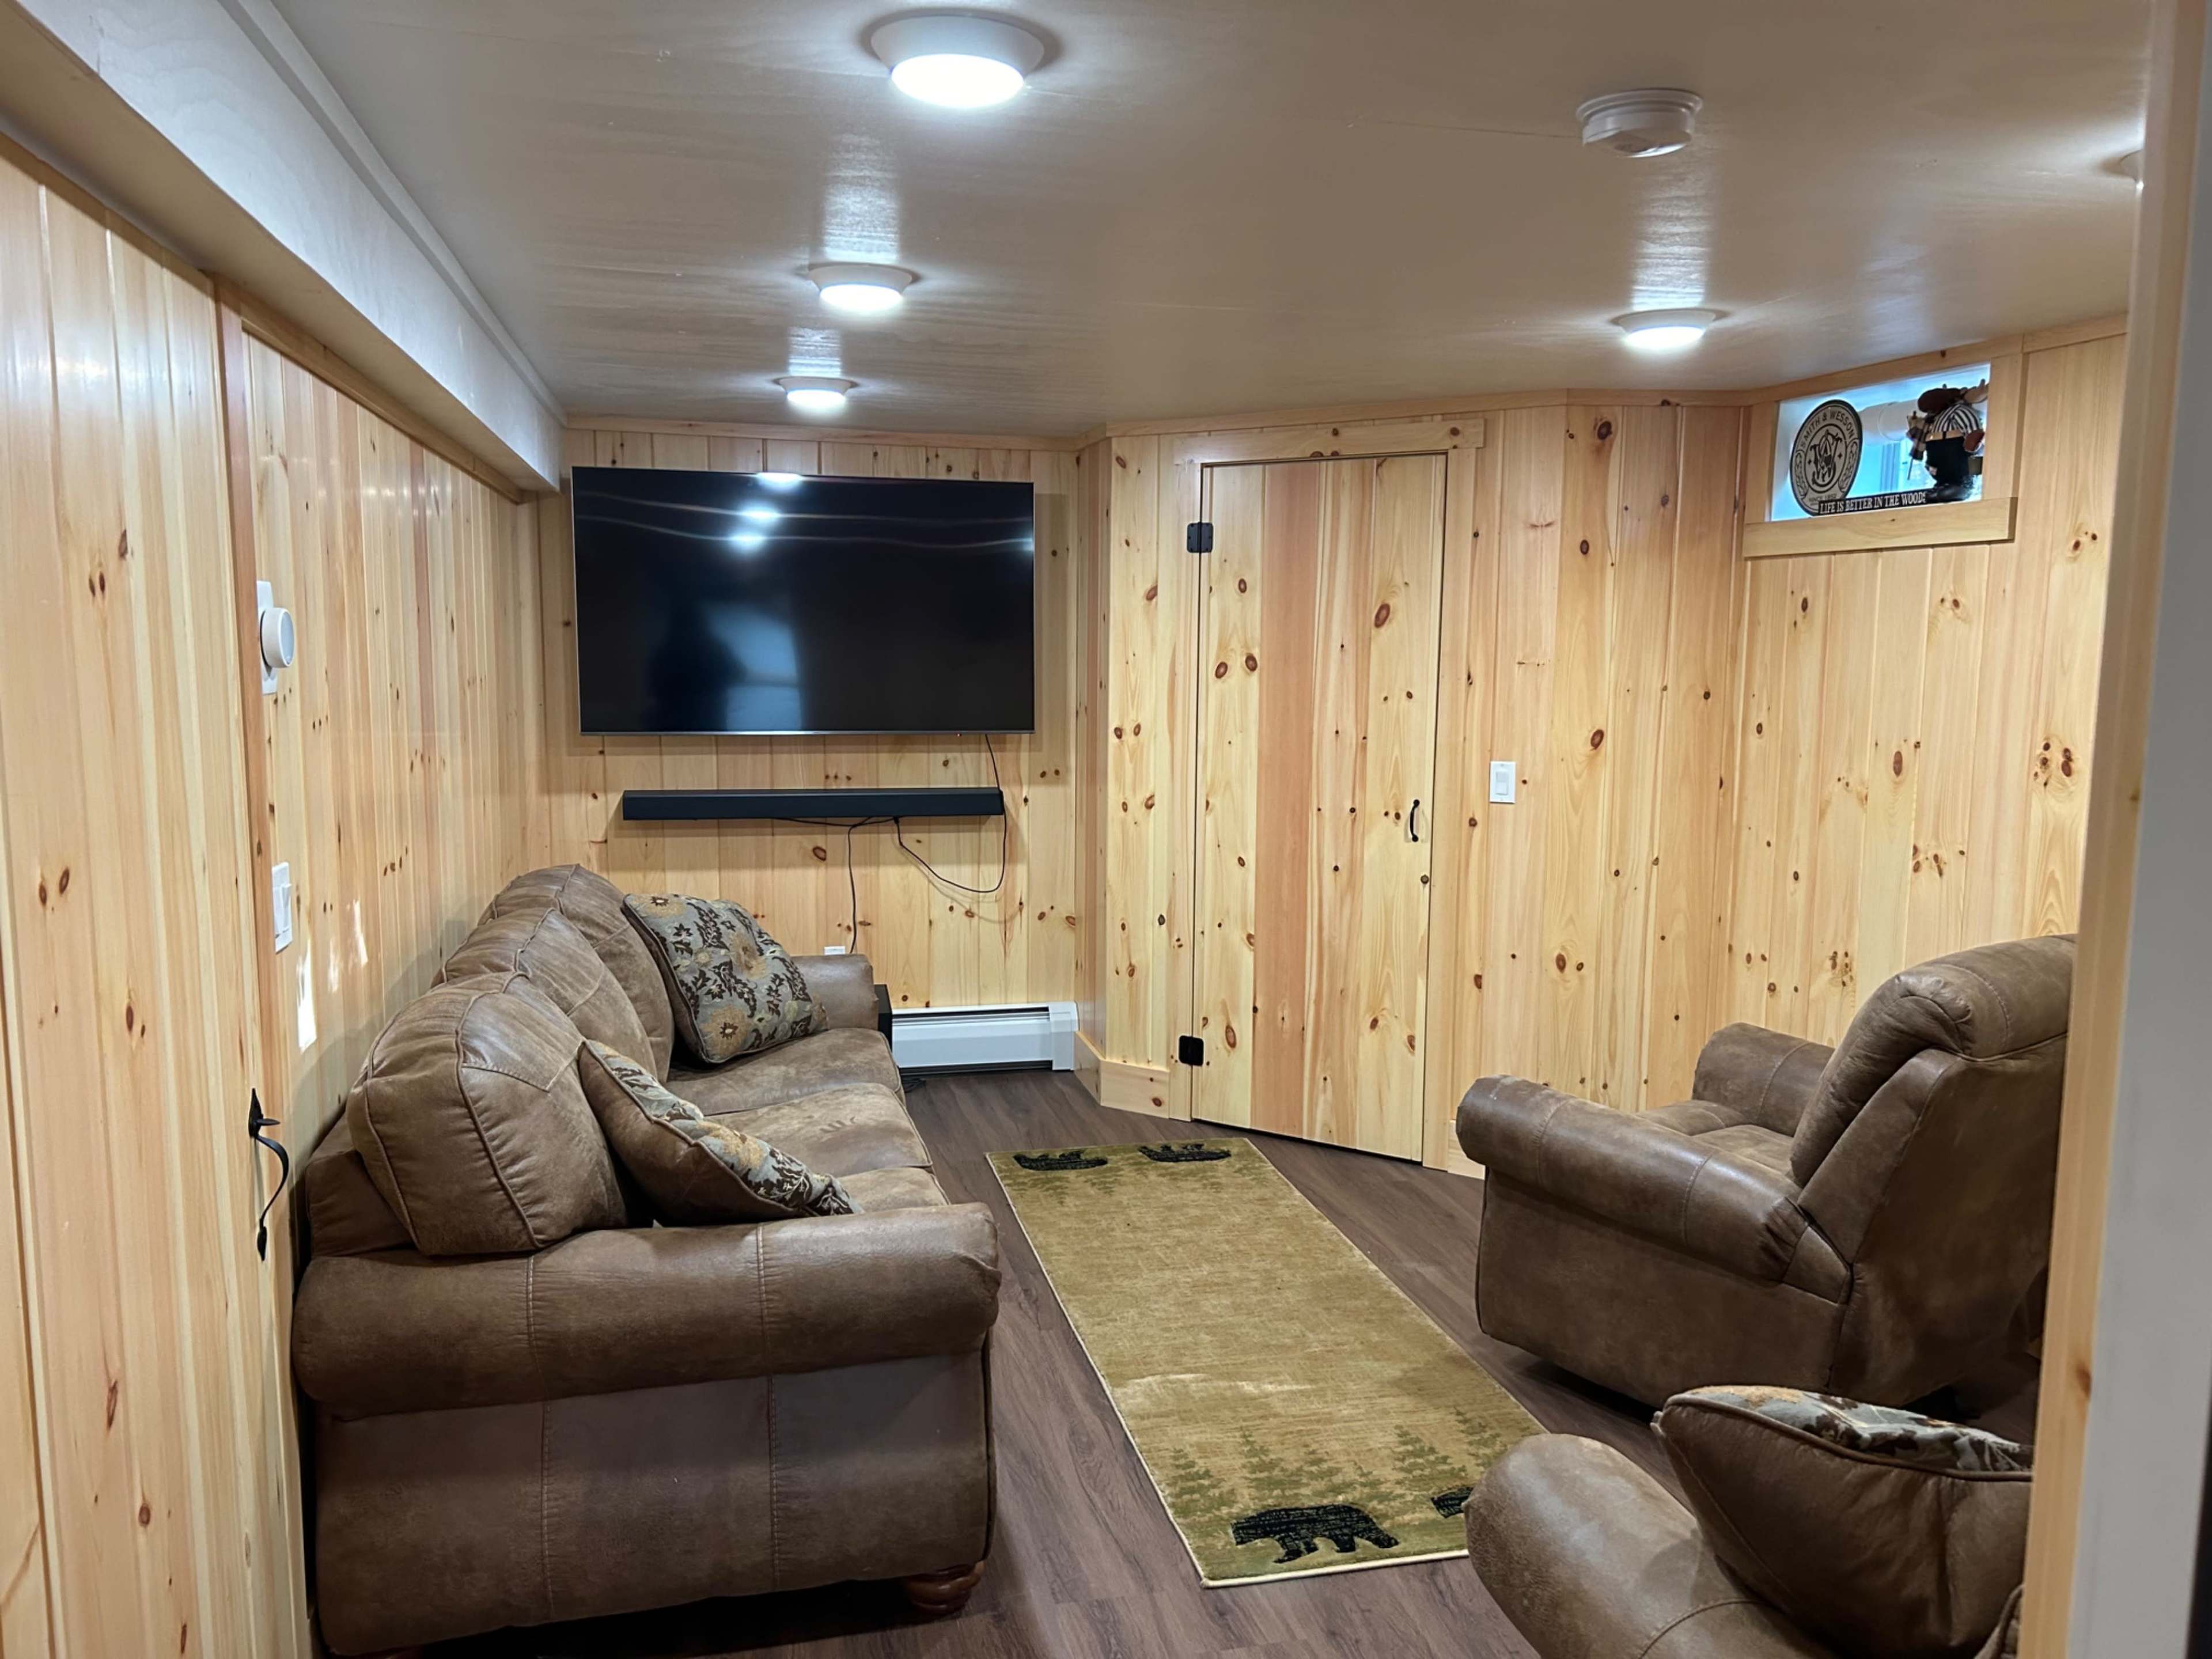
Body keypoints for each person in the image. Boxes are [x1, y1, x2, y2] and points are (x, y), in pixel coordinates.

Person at [1859, 381, 1990, 503]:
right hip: (1938, 451)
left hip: (1953, 449)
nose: (1929, 411)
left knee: (1955, 467)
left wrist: (1973, 439)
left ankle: (1961, 486)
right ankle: (1942, 485)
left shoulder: (1959, 411)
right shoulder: (1932, 419)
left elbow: (1972, 427)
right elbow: (1921, 434)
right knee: (1941, 470)